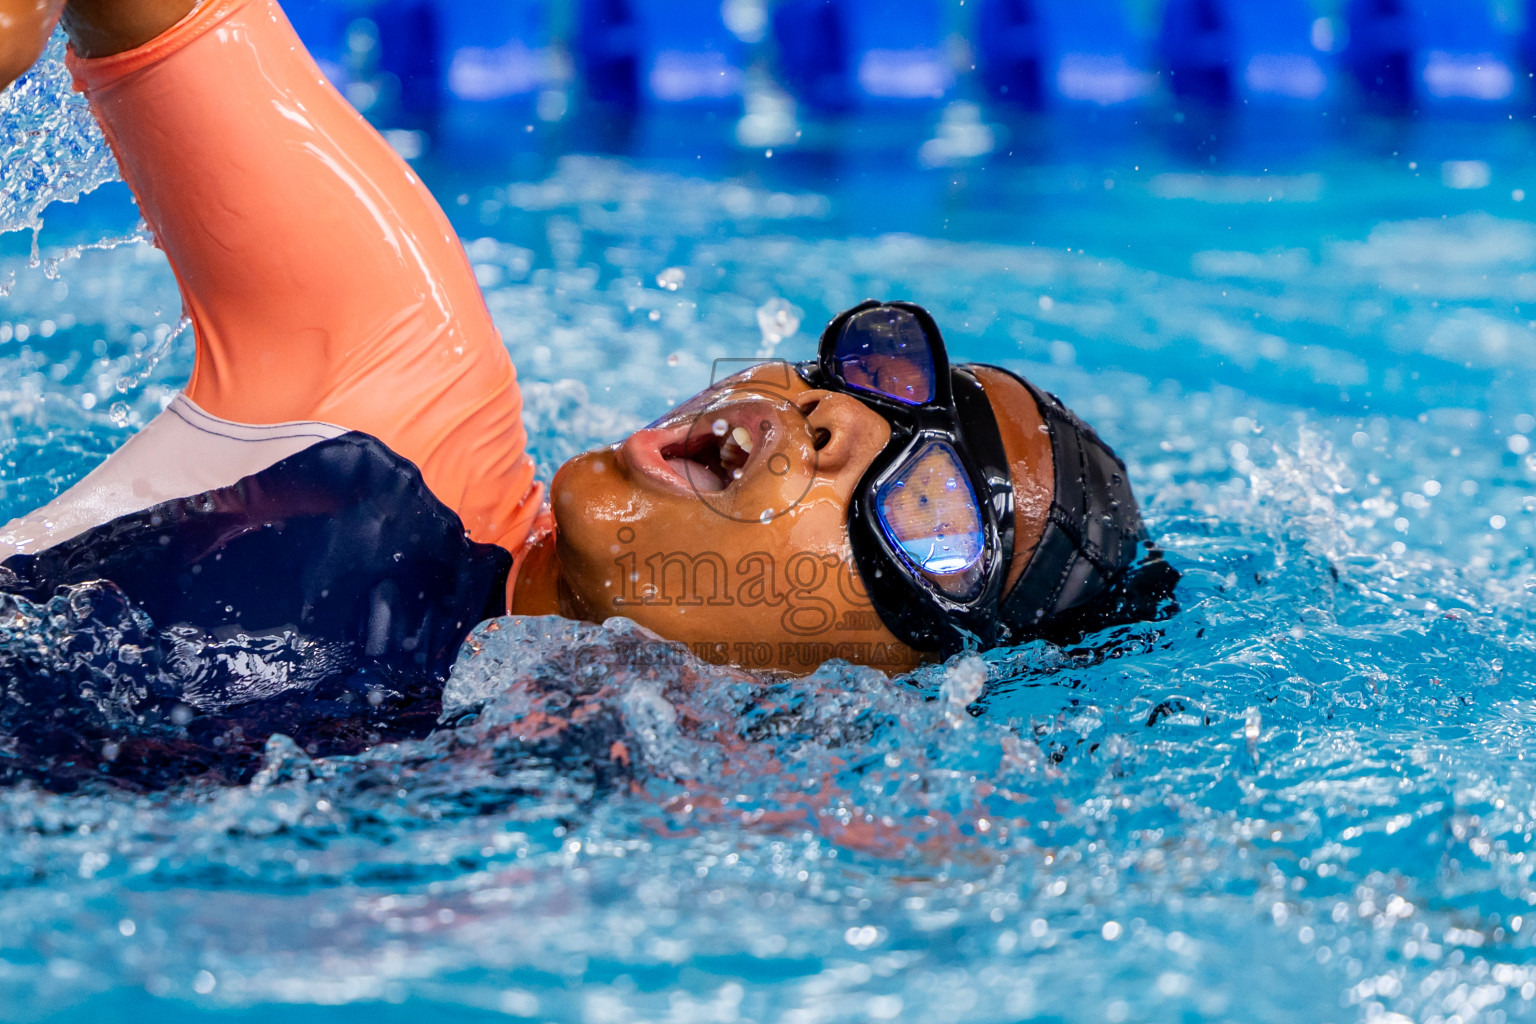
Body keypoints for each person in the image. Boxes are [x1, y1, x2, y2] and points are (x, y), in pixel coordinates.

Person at [0, 0, 1175, 787]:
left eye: (931, 509)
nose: (839, 418)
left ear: (900, 682)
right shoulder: (385, 376)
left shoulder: (648, 844)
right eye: (870, 374)